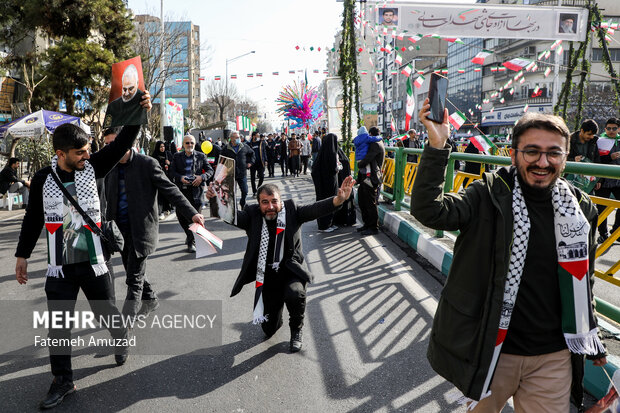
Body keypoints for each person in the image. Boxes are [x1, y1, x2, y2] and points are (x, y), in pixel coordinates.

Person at [411, 100, 607, 412]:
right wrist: (437, 145)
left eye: (553, 152)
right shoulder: (487, 193)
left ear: (565, 158)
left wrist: (591, 331)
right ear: (513, 154)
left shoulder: (581, 209)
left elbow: (585, 278)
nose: (543, 161)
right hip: (493, 350)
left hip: (554, 356)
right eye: (532, 151)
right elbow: (430, 211)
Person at [14, 122, 144, 409]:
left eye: (88, 150)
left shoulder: (92, 167)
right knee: (58, 326)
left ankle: (119, 337)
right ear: (61, 153)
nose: (87, 155)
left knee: (105, 313)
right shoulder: (42, 179)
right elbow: (33, 218)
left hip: (95, 261)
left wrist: (138, 112)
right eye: (80, 152)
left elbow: (121, 144)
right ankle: (62, 380)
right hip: (60, 266)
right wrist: (22, 255)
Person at [205, 177, 355, 352]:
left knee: (295, 294)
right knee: (269, 330)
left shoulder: (292, 211)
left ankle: (296, 329)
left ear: (280, 200)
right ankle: (277, 311)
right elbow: (229, 214)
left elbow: (315, 209)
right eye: (265, 202)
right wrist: (214, 199)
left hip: (291, 272)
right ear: (259, 203)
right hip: (268, 277)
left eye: (274, 201)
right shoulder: (252, 216)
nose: (270, 207)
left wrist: (338, 200)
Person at [103, 131, 204, 320]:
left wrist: (192, 213)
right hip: (119, 230)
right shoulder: (110, 166)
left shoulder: (147, 164)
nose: (110, 149)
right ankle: (150, 299)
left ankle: (125, 326)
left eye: (113, 143)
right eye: (106, 144)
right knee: (131, 269)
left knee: (133, 279)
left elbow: (171, 190)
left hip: (141, 230)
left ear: (126, 141)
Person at [170, 134, 213, 252]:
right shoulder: (177, 156)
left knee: (196, 218)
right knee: (181, 217)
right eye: (187, 143)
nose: (189, 145)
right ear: (183, 145)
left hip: (196, 191)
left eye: (192, 143)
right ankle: (190, 235)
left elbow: (210, 170)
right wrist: (180, 178)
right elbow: (172, 172)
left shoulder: (201, 156)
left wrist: (201, 177)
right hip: (182, 191)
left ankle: (191, 242)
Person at [356, 127, 385, 236]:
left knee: (370, 203)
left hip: (371, 177)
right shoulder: (375, 143)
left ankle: (373, 227)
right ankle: (367, 224)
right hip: (366, 177)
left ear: (371, 134)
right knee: (363, 201)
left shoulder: (375, 144)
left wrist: (359, 164)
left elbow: (367, 159)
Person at [596, 117, 620, 243]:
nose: (611, 131)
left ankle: (616, 230)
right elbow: (597, 160)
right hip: (603, 181)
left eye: (614, 128)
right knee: (602, 208)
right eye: (609, 128)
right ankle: (603, 234)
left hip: (618, 181)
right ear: (605, 129)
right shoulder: (600, 141)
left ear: (619, 129)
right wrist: (610, 157)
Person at [311, 133, 340, 232]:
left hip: (327, 183)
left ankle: (329, 223)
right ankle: (324, 225)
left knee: (330, 201)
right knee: (326, 202)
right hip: (326, 184)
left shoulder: (325, 153)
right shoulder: (329, 153)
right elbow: (333, 168)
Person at [220, 130, 255, 208]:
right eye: (236, 137)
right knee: (231, 193)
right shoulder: (226, 148)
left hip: (242, 173)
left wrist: (250, 162)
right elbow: (221, 159)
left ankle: (242, 202)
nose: (238, 139)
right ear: (231, 138)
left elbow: (252, 154)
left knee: (245, 191)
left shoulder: (244, 146)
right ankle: (234, 209)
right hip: (230, 174)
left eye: (239, 137)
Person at [150, 140, 173, 219]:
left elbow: (174, 165)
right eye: (160, 147)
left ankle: (168, 208)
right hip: (158, 178)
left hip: (167, 178)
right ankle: (160, 211)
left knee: (167, 194)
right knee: (159, 196)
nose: (162, 148)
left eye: (163, 146)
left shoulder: (168, 154)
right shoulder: (155, 156)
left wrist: (169, 163)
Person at [249, 131, 267, 195]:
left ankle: (258, 187)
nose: (259, 137)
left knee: (262, 177)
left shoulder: (261, 143)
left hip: (260, 162)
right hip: (252, 163)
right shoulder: (249, 144)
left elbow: (264, 151)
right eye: (257, 136)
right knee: (252, 178)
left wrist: (265, 160)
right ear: (254, 136)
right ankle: (254, 191)